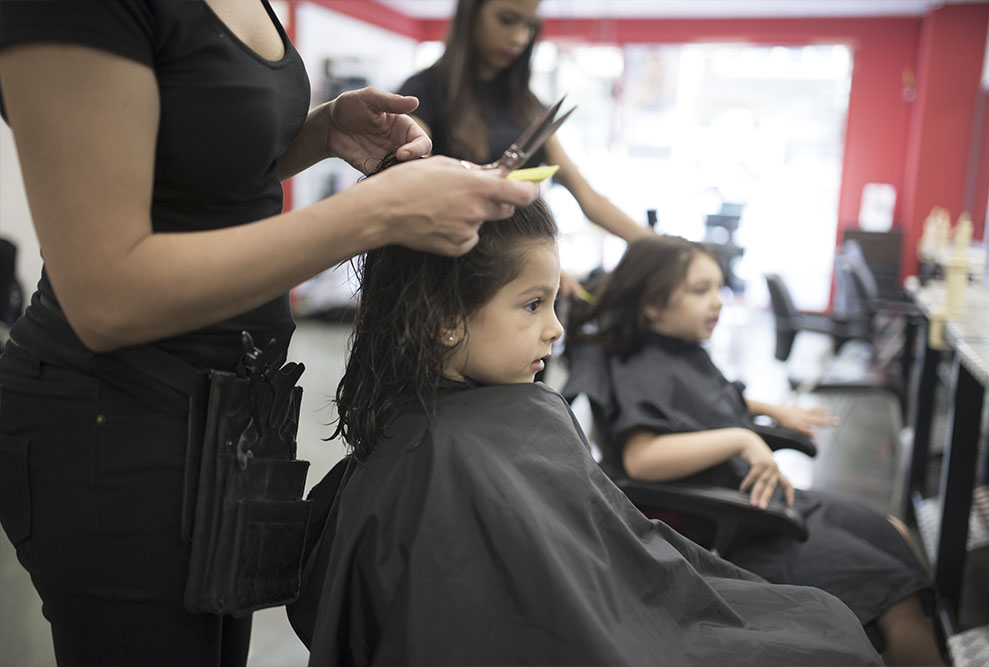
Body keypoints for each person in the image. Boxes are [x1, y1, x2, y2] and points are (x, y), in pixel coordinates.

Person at [0, 1, 539, 665]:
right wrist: (375, 213)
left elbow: (197, 172)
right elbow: (105, 296)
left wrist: (320, 132)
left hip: (231, 419)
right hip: (116, 422)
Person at [286, 192, 882, 666]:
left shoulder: (520, 415)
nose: (555, 329)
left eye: (554, 304)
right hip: (611, 636)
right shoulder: (443, 456)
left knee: (823, 621)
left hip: (622, 616)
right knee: (824, 634)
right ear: (445, 320)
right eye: (531, 305)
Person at [563, 234, 944, 667]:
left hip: (768, 504)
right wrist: (743, 438)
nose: (718, 301)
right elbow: (642, 458)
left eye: (718, 287)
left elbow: (707, 399)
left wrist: (770, 410)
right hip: (743, 529)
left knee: (893, 530)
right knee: (900, 599)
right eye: (699, 290)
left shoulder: (679, 349)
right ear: (651, 304)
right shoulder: (642, 366)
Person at [397, 0, 653, 295]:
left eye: (529, 26)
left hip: (516, 282)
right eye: (507, 20)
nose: (520, 38)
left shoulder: (529, 109)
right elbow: (412, 185)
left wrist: (655, 245)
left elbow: (587, 196)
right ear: (471, 15)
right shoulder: (421, 94)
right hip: (445, 283)